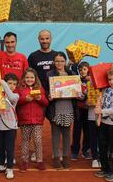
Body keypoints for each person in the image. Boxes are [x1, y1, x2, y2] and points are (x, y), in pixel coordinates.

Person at [28, 29, 58, 162]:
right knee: (35, 126)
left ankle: (56, 152)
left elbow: (63, 73)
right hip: (38, 97)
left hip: (54, 97)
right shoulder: (33, 56)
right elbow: (29, 77)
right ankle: (34, 152)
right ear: (38, 40)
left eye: (47, 38)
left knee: (56, 125)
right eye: (42, 38)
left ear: (50, 39)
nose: (44, 41)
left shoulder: (57, 55)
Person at [46, 52, 78, 169]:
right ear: (54, 62)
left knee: (66, 134)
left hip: (69, 107)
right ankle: (56, 158)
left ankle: (66, 157)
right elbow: (46, 91)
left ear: (65, 62)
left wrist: (78, 94)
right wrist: (49, 96)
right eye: (57, 61)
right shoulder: (49, 75)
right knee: (55, 134)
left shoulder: (72, 74)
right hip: (55, 108)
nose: (59, 63)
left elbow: (77, 91)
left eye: (61, 61)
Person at [94, 67, 113, 182]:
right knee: (102, 147)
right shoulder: (106, 90)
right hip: (103, 123)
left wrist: (101, 111)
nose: (111, 81)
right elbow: (102, 103)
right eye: (110, 79)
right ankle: (105, 168)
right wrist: (98, 106)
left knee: (112, 149)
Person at [17, 68, 49, 172]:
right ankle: (24, 161)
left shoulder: (39, 88)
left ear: (35, 78)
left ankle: (39, 160)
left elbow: (45, 103)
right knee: (25, 141)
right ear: (23, 78)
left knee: (38, 140)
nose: (29, 79)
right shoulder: (19, 88)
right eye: (27, 77)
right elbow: (15, 101)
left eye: (31, 77)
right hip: (24, 119)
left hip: (37, 120)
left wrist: (40, 98)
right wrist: (24, 99)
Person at [0, 73, 19, 179]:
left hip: (11, 127)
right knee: (0, 148)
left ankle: (10, 168)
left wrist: (3, 83)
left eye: (14, 84)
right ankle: (1, 165)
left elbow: (10, 96)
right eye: (9, 83)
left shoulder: (15, 96)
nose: (11, 86)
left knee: (9, 148)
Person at [71, 61, 91, 160]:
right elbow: (73, 68)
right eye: (80, 69)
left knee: (87, 131)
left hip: (88, 110)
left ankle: (85, 150)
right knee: (76, 131)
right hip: (78, 109)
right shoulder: (76, 80)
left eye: (84, 69)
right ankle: (74, 151)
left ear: (88, 70)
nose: (82, 71)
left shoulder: (92, 80)